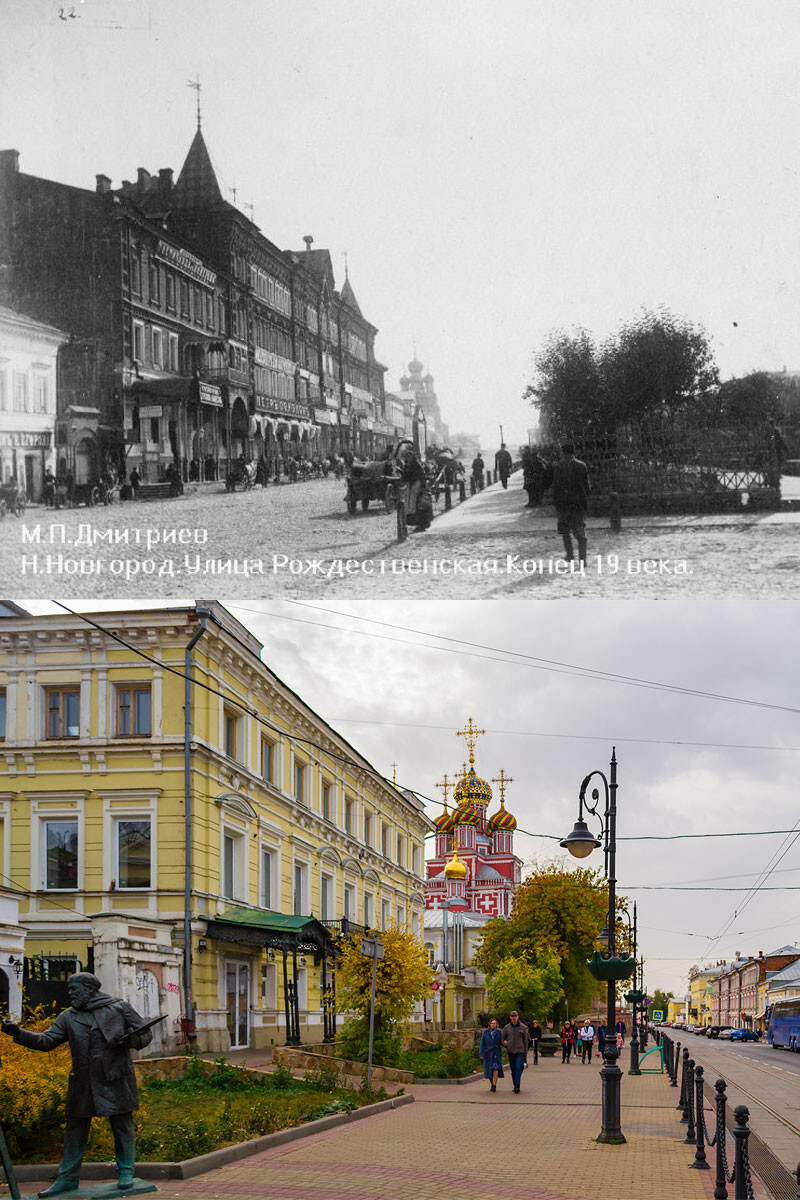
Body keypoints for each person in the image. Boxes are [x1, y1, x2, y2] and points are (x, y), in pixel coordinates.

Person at [1, 972, 153, 1195]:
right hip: (83, 1081)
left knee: (122, 1126)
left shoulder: (119, 1008)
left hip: (115, 1077)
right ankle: (67, 1179)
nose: (70, 992)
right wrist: (18, 1033)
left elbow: (145, 1033)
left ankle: (126, 1171)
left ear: (90, 989)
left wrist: (133, 1040)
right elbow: (47, 1041)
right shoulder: (68, 1016)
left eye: (74, 988)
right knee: (75, 1131)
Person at [552, 442, 590, 565]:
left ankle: (570, 555)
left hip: (564, 504)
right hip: (578, 503)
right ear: (574, 452)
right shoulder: (582, 465)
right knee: (580, 531)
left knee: (565, 531)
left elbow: (556, 487)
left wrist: (556, 503)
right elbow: (587, 487)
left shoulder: (559, 466)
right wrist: (585, 502)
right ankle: (583, 559)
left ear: (562, 452)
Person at [501, 1011, 530, 1094]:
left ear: (518, 1017)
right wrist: (505, 1044)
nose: (514, 1017)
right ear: (510, 1017)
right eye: (512, 1016)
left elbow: (525, 1041)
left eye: (515, 1016)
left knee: (518, 1068)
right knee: (513, 1070)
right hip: (510, 1051)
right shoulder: (506, 1028)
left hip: (520, 1051)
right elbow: (502, 1039)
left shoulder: (523, 1027)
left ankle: (517, 1086)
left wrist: (525, 1054)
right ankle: (515, 1085)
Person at [479, 1017, 505, 1093]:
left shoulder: (499, 1032)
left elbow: (502, 1041)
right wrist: (481, 1053)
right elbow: (482, 1043)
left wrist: (506, 1044)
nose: (493, 1025)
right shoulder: (485, 1032)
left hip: (496, 1052)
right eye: (492, 1023)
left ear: (496, 1025)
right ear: (489, 1024)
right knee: (489, 1070)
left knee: (495, 1068)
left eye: (495, 1023)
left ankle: (494, 1085)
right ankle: (492, 1083)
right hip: (488, 1053)